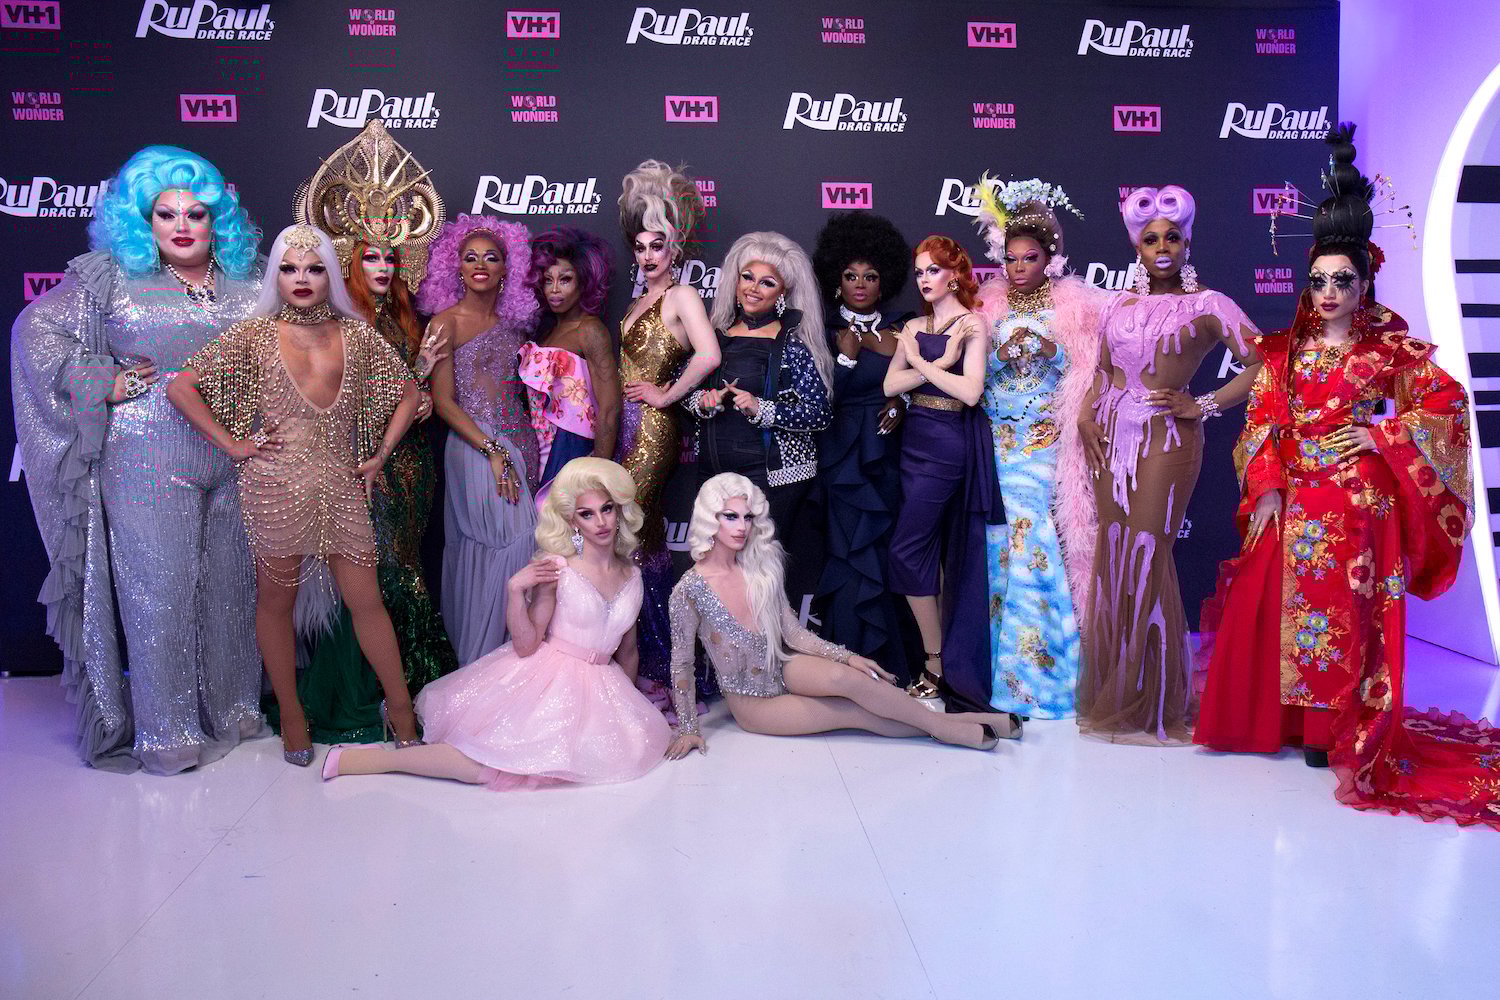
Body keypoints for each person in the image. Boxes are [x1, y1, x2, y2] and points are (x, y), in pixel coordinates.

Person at [1196, 124, 1497, 829]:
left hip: (1360, 504)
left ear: (1365, 285)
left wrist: (1384, 433)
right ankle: (1292, 724)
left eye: (1343, 281)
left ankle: (1335, 728)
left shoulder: (1389, 350)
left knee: (1348, 613)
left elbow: (1447, 404)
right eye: (1319, 280)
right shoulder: (1284, 352)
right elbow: (1262, 419)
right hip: (1296, 498)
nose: (1328, 292)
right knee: (1279, 606)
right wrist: (1267, 484)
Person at [10, 145, 264, 773]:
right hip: (146, 452)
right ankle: (166, 731)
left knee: (233, 588)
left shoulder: (253, 279)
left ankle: (233, 709)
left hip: (235, 451)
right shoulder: (112, 278)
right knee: (160, 589)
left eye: (196, 213)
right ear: (141, 221)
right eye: (164, 214)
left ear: (216, 220)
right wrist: (102, 381)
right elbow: (33, 332)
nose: (181, 226)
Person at [168, 224, 424, 764]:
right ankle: (291, 715)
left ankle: (401, 710)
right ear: (275, 276)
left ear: (331, 275)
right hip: (274, 486)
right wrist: (233, 445)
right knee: (276, 603)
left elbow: (408, 391)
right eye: (288, 268)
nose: (301, 278)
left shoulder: (356, 335)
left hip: (341, 483)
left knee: (366, 602)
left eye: (314, 268)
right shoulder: (254, 335)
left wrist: (380, 454)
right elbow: (180, 387)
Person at [323, 458, 672, 787]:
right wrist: (515, 590)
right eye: (587, 513)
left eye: (607, 509)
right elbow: (526, 644)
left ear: (620, 511)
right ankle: (369, 760)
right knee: (491, 766)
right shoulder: (557, 568)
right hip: (551, 681)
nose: (601, 522)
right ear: (572, 521)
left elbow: (628, 652)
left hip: (603, 687)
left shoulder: (633, 576)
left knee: (579, 764)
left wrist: (626, 712)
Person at [288, 119, 458, 742]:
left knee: (405, 562)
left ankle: (414, 684)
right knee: (372, 572)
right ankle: (370, 691)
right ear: (350, 262)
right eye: (370, 256)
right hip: (360, 460)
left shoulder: (411, 317)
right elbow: (343, 396)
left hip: (414, 460)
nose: (383, 265)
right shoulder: (340, 320)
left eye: (391, 255)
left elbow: (413, 394)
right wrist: (412, 385)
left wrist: (425, 387)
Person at [1075, 186, 1262, 744]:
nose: (1162, 248)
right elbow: (1103, 370)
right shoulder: (1117, 305)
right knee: (1115, 551)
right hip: (1110, 436)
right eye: (1151, 239)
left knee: (1146, 550)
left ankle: (1155, 698)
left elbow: (1263, 364)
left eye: (1172, 238)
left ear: (1187, 244)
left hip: (1168, 438)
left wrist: (1203, 404)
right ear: (1137, 247)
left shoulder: (1209, 304)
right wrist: (1085, 415)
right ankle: (1117, 691)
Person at [665, 473, 1019, 758]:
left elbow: (794, 634)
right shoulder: (689, 589)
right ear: (709, 519)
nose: (741, 527)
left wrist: (848, 658)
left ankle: (962, 721)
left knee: (849, 680)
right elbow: (682, 664)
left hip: (782, 667)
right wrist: (689, 728)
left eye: (747, 517)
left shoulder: (759, 570)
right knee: (857, 713)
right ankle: (951, 728)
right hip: (752, 703)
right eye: (730, 517)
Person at [973, 177, 1104, 719]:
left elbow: (1093, 375)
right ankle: (994, 672)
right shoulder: (985, 305)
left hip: (1046, 444)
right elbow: (970, 375)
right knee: (999, 544)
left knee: (1033, 538)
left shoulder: (1075, 308)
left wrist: (1058, 360)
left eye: (1030, 257)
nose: (1019, 267)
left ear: (1050, 258)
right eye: (1011, 258)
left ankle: (1044, 679)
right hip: (996, 442)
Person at [882, 236, 1005, 713]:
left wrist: (919, 361)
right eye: (919, 272)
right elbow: (890, 384)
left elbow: (970, 392)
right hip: (913, 443)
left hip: (949, 445)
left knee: (907, 549)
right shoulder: (915, 326)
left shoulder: (973, 324)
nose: (924, 279)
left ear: (955, 274)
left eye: (933, 270)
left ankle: (936, 664)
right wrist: (935, 363)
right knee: (921, 552)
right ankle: (937, 659)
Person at [615, 159, 722, 692]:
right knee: (642, 535)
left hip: (653, 430)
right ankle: (649, 657)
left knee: (630, 530)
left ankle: (654, 661)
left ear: (674, 248)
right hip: (624, 427)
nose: (648, 255)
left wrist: (665, 394)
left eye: (657, 245)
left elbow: (709, 354)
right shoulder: (639, 300)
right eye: (640, 247)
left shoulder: (682, 296)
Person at [420, 215, 541, 664]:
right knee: (504, 543)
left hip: (520, 444)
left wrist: (514, 448)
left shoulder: (517, 326)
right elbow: (443, 402)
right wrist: (491, 451)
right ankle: (480, 663)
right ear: (456, 266)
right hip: (474, 447)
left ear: (508, 268)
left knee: (523, 550)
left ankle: (514, 668)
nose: (480, 265)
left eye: (491, 258)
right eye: (470, 258)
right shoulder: (444, 322)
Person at [812, 212, 917, 682]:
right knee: (850, 554)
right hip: (843, 461)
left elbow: (921, 383)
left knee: (888, 551)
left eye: (870, 276)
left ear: (884, 280)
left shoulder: (903, 329)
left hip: (888, 458)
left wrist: (901, 403)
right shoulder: (824, 331)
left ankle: (896, 664)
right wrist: (845, 358)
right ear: (836, 281)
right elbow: (819, 401)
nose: (860, 284)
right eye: (851, 275)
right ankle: (849, 665)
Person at [685, 230, 833, 537]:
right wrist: (701, 401)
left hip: (773, 476)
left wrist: (762, 409)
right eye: (748, 277)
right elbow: (682, 388)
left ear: (782, 292)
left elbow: (819, 413)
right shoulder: (713, 336)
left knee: (762, 561)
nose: (753, 288)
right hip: (714, 470)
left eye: (767, 282)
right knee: (714, 556)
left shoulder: (794, 344)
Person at [520, 226, 621, 493]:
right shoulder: (544, 331)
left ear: (584, 283)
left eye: (565, 280)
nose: (554, 289)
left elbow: (609, 409)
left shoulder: (590, 329)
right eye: (547, 280)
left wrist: (598, 472)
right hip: (535, 448)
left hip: (571, 445)